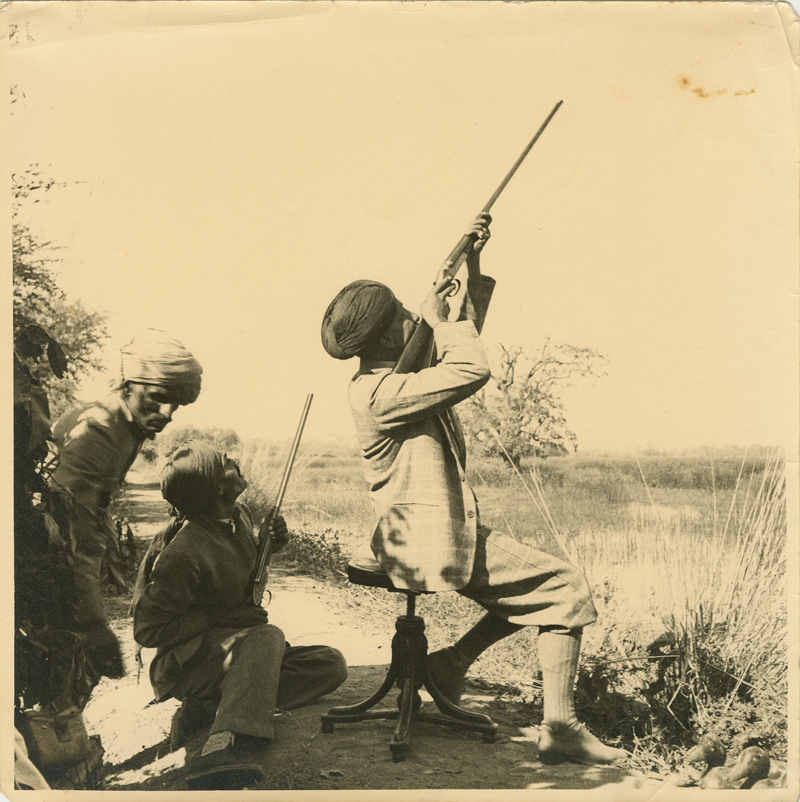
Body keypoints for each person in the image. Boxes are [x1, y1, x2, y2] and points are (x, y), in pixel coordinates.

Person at [321, 215, 627, 765]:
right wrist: (440, 318)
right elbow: (469, 365)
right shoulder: (382, 394)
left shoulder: (390, 381)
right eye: (405, 317)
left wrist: (471, 264)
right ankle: (560, 727)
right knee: (566, 588)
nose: (415, 319)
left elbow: (457, 344)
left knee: (535, 586)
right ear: (392, 333)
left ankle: (450, 665)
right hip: (426, 542)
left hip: (422, 534)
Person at [132, 441, 348, 790]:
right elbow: (147, 630)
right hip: (187, 664)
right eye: (226, 463)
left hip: (233, 655)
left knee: (329, 664)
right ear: (216, 488)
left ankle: (207, 709)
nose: (235, 461)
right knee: (268, 636)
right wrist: (220, 618)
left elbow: (241, 574)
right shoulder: (184, 552)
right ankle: (226, 747)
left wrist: (270, 545)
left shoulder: (240, 514)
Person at [48, 329, 203, 682]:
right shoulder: (101, 433)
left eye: (175, 404)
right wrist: (94, 624)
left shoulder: (119, 422)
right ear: (130, 386)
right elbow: (76, 531)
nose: (167, 413)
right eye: (158, 398)